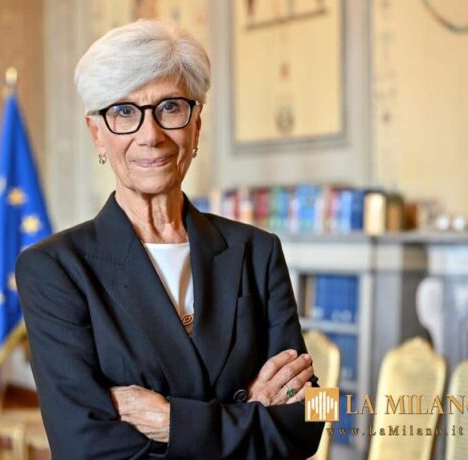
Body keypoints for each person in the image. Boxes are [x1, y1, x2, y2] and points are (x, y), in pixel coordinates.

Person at [16, 19, 323, 459]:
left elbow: (317, 415)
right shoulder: (54, 269)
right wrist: (246, 414)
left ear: (196, 124)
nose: (150, 135)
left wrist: (171, 422)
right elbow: (83, 448)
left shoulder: (257, 251)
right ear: (97, 133)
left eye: (170, 107)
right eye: (124, 112)